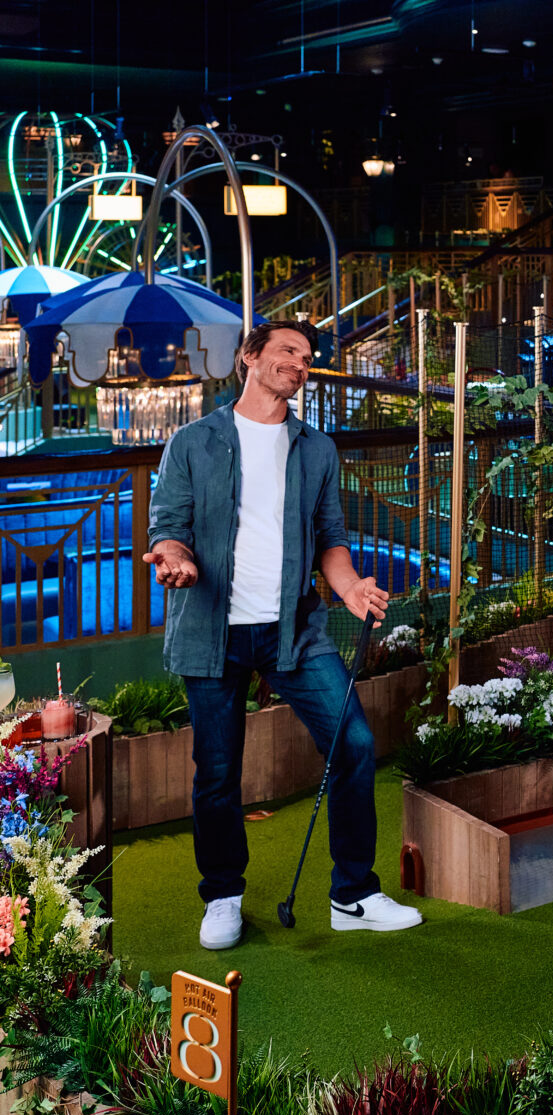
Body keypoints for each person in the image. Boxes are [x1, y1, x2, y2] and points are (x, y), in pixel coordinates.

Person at [145, 319, 420, 952]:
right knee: (217, 772)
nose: (299, 363)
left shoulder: (316, 449)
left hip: (293, 629)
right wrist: (175, 560)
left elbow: (331, 539)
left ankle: (353, 894)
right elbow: (168, 527)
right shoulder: (192, 442)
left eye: (307, 357)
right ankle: (222, 894)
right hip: (211, 630)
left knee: (353, 742)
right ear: (250, 356)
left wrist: (349, 587)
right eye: (287, 351)